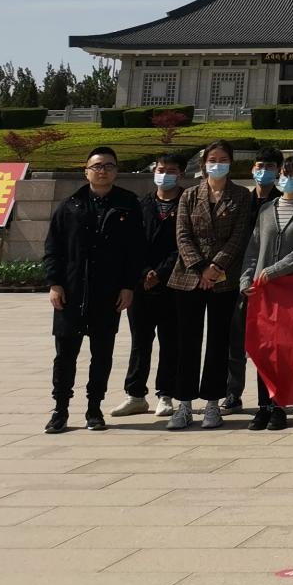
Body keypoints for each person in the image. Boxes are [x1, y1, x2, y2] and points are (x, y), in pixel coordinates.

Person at [42, 145, 143, 433]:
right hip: (71, 291)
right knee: (65, 355)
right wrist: (54, 283)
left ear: (116, 171)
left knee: (102, 354)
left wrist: (128, 286)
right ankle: (60, 409)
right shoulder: (70, 206)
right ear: (86, 171)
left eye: (109, 166)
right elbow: (53, 248)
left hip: (108, 292)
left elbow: (135, 250)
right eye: (97, 166)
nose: (103, 171)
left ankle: (94, 408)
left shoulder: (128, 204)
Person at [167, 140, 256, 430]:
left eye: (223, 159)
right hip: (189, 277)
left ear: (231, 163)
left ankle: (213, 403)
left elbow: (240, 236)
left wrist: (216, 267)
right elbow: (182, 234)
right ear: (204, 163)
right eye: (212, 159)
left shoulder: (241, 195)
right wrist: (200, 267)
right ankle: (183, 404)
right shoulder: (190, 195)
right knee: (186, 342)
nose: (217, 164)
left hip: (223, 279)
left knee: (219, 343)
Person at [241, 156, 293, 431]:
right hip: (263, 292)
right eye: (285, 174)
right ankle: (263, 406)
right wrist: (245, 279)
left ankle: (279, 406)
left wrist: (274, 271)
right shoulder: (267, 209)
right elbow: (254, 248)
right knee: (263, 350)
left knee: (286, 352)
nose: (288, 179)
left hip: (292, 292)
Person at [111, 151, 184, 419]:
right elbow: (130, 243)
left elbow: (185, 243)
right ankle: (135, 394)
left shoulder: (187, 203)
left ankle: (166, 394)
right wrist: (144, 272)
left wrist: (161, 272)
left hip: (173, 283)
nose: (165, 175)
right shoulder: (140, 204)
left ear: (181, 174)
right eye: (161, 170)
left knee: (170, 341)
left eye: (171, 170)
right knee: (140, 341)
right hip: (141, 284)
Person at [223, 144, 285, 412]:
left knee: (272, 343)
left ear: (279, 171)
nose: (264, 171)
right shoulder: (242, 201)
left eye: (270, 167)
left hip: (271, 281)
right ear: (252, 169)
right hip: (240, 278)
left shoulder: (283, 201)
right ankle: (232, 391)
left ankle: (273, 393)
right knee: (235, 340)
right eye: (260, 166)